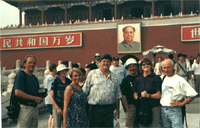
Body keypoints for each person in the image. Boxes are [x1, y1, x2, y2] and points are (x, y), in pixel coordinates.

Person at [82, 54, 122, 127]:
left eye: (108, 61)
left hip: (109, 109)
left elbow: (117, 95)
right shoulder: (92, 74)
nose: (106, 63)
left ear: (111, 63)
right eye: (104, 61)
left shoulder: (115, 77)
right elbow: (85, 91)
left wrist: (117, 111)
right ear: (99, 62)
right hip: (94, 109)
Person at [160, 59, 198, 128]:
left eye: (168, 67)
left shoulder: (179, 79)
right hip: (163, 109)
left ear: (173, 67)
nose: (166, 70)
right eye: (164, 68)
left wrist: (182, 103)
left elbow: (193, 94)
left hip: (175, 110)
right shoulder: (163, 78)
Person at [14, 55, 43, 128]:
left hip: (34, 108)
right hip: (25, 108)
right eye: (29, 62)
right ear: (24, 64)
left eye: (34, 63)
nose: (32, 65)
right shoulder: (21, 75)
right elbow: (17, 92)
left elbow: (36, 92)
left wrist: (41, 96)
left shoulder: (34, 78)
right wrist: (34, 98)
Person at [134, 58, 162, 128]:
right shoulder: (138, 79)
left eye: (147, 64)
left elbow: (159, 95)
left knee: (155, 126)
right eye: (143, 64)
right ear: (141, 66)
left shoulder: (156, 78)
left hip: (153, 107)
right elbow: (135, 93)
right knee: (142, 125)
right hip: (142, 107)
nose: (145, 65)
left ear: (151, 66)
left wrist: (148, 95)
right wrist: (138, 97)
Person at [120, 56, 140, 127]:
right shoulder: (125, 80)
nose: (132, 68)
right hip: (131, 105)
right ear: (127, 68)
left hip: (142, 105)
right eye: (130, 67)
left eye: (134, 66)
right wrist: (127, 108)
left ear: (137, 67)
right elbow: (123, 95)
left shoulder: (142, 77)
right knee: (130, 124)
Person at [44, 63, 57, 128]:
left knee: (51, 116)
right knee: (53, 116)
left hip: (47, 99)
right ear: (54, 69)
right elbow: (50, 90)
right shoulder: (51, 78)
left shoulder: (47, 77)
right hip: (51, 99)